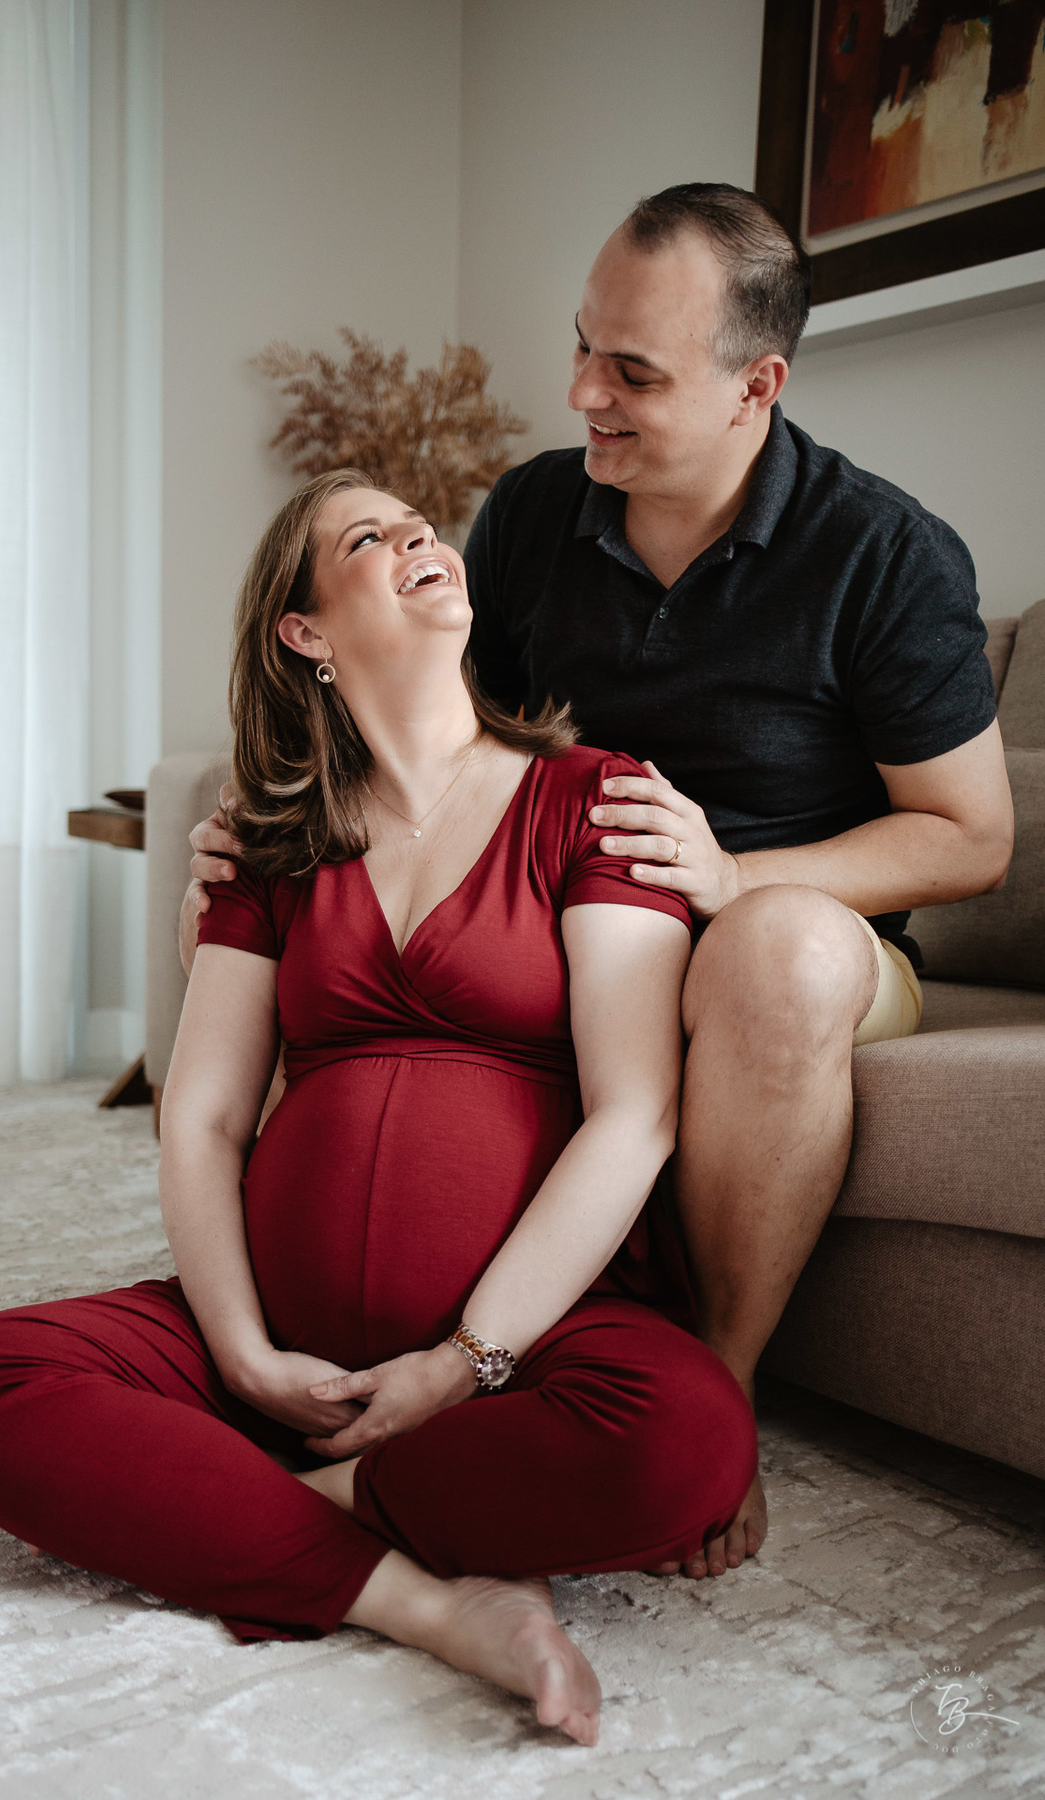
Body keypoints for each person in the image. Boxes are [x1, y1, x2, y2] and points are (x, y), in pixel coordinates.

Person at [183, 184, 1015, 1585]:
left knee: (778, 950)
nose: (581, 394)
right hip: (565, 903)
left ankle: (720, 1380)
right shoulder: (534, 514)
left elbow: (971, 837)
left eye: (632, 373)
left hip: (787, 931)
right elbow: (440, 727)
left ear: (756, 386)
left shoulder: (883, 553)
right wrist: (273, 820)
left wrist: (733, 873)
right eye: (583, 345)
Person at [0, 470, 757, 1747]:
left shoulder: (593, 796)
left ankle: (269, 1503)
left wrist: (462, 1365)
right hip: (276, 1347)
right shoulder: (267, 838)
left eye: (423, 525)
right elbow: (201, 1119)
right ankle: (429, 1599)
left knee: (688, 1443)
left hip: (523, 1347)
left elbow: (634, 1114)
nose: (421, 538)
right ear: (304, 631)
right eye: (370, 536)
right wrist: (243, 1353)